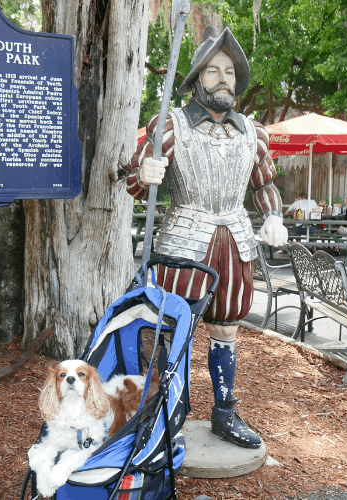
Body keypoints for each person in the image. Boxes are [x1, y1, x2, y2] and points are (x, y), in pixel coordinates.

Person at [126, 26, 288, 449]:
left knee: (227, 329)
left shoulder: (253, 133)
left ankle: (225, 413)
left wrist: (272, 214)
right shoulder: (171, 124)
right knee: (175, 329)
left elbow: (264, 183)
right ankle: (168, 415)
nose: (222, 79)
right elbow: (135, 178)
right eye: (213, 71)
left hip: (235, 241)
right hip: (184, 240)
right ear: (197, 77)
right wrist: (144, 174)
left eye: (229, 73)